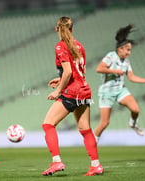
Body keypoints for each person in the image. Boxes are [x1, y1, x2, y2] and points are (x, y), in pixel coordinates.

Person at [42, 16, 103, 176]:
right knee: (86, 130)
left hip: (72, 92)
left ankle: (56, 162)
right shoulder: (79, 46)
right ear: (72, 29)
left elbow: (69, 71)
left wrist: (58, 90)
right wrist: (61, 79)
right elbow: (78, 72)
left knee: (48, 124)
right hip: (84, 89)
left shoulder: (60, 46)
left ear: (57, 29)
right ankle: (96, 165)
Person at [93, 25, 145, 143]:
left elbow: (131, 77)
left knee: (135, 109)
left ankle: (133, 124)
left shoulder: (126, 61)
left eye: (130, 50)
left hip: (120, 90)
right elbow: (99, 69)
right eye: (127, 50)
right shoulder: (111, 56)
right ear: (120, 49)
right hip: (107, 93)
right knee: (104, 123)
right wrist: (114, 71)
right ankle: (92, 142)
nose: (129, 52)